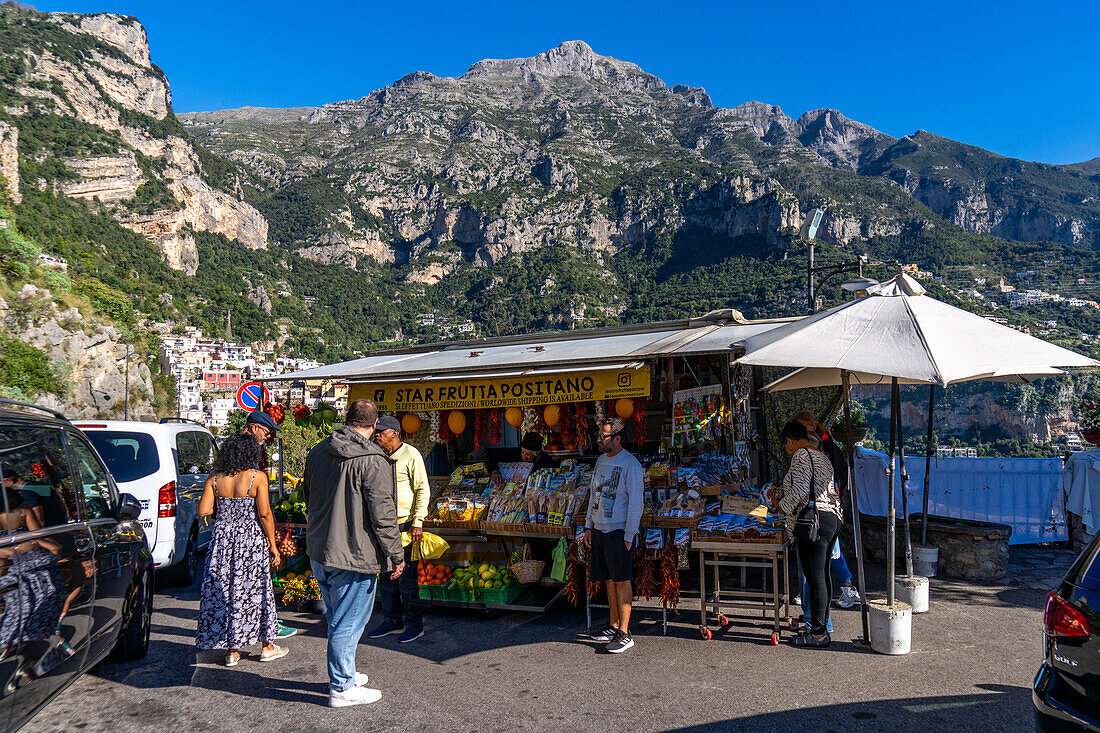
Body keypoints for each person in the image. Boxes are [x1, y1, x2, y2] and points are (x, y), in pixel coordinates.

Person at [303, 398, 404, 708]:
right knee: (349, 621)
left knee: (337, 616)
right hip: (353, 554)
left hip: (320, 549)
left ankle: (344, 673)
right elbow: (383, 515)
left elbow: (308, 496)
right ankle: (342, 687)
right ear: (374, 426)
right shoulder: (372, 459)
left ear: (347, 418)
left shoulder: (318, 451)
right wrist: (395, 555)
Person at [196, 434, 286, 666]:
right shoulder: (257, 477)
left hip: (223, 540)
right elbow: (265, 514)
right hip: (250, 540)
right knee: (255, 590)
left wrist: (224, 511)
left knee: (226, 591)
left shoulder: (214, 478)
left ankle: (232, 652)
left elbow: (204, 510)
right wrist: (273, 546)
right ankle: (266, 646)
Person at [578, 417, 644, 654]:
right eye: (599, 435)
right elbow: (593, 494)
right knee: (608, 579)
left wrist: (629, 533)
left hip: (618, 530)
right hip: (599, 529)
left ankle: (625, 634)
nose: (598, 440)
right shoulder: (599, 461)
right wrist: (588, 525)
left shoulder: (631, 464)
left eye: (603, 436)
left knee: (622, 579)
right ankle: (613, 624)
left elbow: (636, 503)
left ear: (617, 439)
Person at [775, 420, 843, 648]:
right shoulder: (821, 455)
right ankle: (818, 626)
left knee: (815, 578)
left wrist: (780, 505)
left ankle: (818, 633)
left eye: (786, 446)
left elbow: (801, 491)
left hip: (813, 520)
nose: (787, 450)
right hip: (831, 518)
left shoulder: (801, 456)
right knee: (822, 575)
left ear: (789, 441)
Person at [367, 415, 431, 643]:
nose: (377, 436)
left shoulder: (411, 454)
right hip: (383, 525)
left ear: (394, 433)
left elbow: (422, 489)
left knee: (406, 577)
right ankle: (392, 620)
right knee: (386, 575)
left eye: (381, 432)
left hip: (405, 524)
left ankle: (415, 624)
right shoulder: (377, 456)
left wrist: (418, 521)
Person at [239, 407, 299, 641]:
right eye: (265, 431)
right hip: (250, 527)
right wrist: (272, 541)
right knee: (256, 582)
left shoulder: (242, 452)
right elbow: (263, 512)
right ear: (254, 427)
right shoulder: (246, 454)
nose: (268, 437)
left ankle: (248, 631)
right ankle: (265, 633)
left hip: (235, 529)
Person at [792, 411, 861, 610]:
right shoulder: (824, 443)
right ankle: (810, 592)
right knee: (826, 550)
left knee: (828, 551)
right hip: (827, 506)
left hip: (822, 508)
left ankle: (846, 588)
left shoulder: (819, 446)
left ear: (811, 426)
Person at [487, 432, 557, 483]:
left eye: (528, 454)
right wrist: (494, 471)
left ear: (537, 453)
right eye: (522, 452)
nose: (524, 457)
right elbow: (492, 458)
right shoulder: (514, 453)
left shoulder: (547, 460)